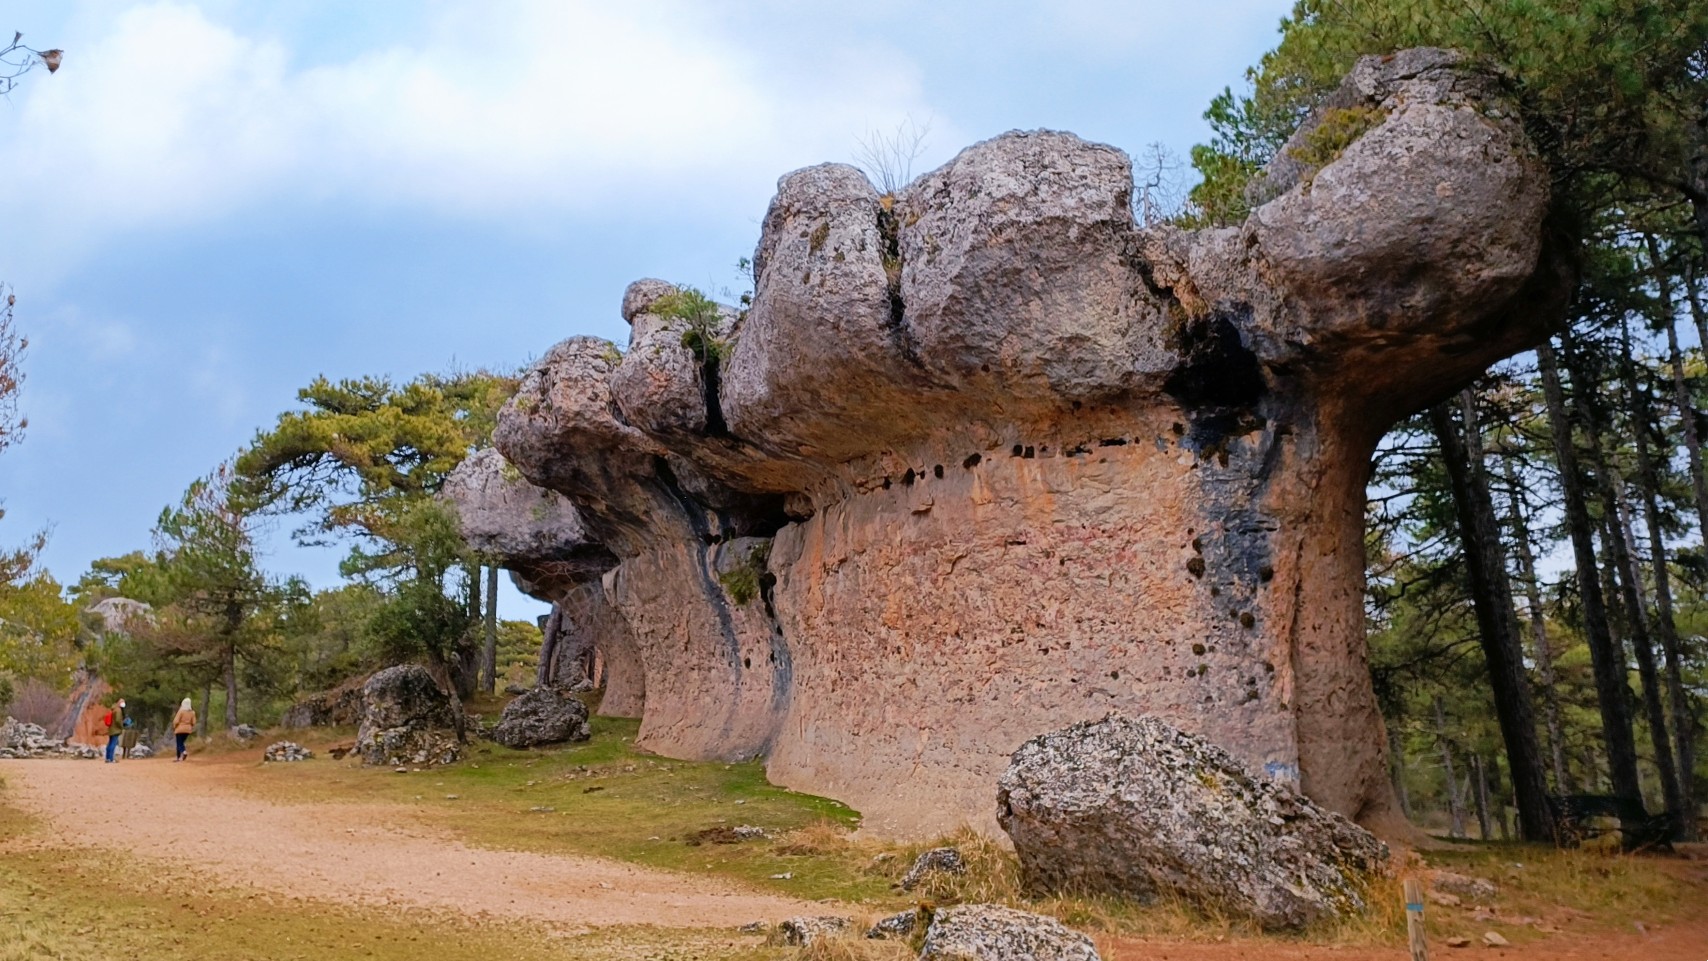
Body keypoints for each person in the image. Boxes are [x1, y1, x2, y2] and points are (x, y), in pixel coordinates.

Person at [171, 698, 196, 762]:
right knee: (181, 742)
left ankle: (182, 753)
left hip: (179, 729)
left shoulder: (181, 711)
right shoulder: (192, 712)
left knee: (179, 743)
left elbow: (176, 721)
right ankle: (179, 757)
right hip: (187, 730)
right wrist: (190, 726)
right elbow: (193, 722)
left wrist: (174, 727)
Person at [103, 697, 126, 763]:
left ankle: (107, 758)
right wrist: (121, 726)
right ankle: (110, 759)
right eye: (122, 702)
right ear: (119, 703)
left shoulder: (114, 709)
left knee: (110, 743)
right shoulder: (118, 710)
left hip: (111, 729)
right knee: (113, 743)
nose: (123, 703)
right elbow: (118, 720)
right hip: (115, 729)